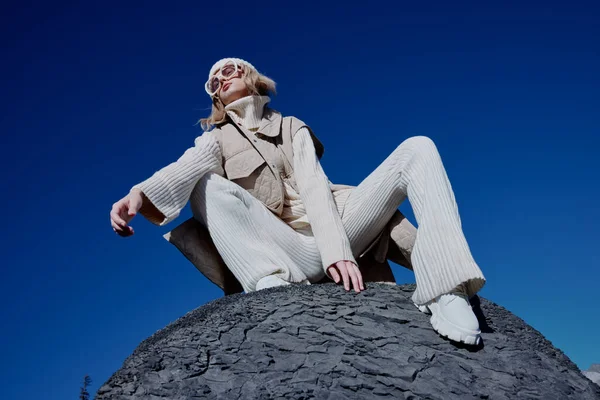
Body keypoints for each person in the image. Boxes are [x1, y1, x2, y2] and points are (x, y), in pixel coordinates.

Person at [110, 58, 486, 345]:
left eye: (230, 69)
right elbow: (186, 166)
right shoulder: (216, 139)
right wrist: (138, 195)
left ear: (251, 75)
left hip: (335, 234)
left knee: (417, 149)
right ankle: (269, 285)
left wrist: (337, 250)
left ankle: (445, 287)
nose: (221, 78)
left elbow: (314, 184)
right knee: (202, 184)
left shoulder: (291, 125)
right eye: (214, 81)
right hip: (284, 252)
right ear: (214, 97)